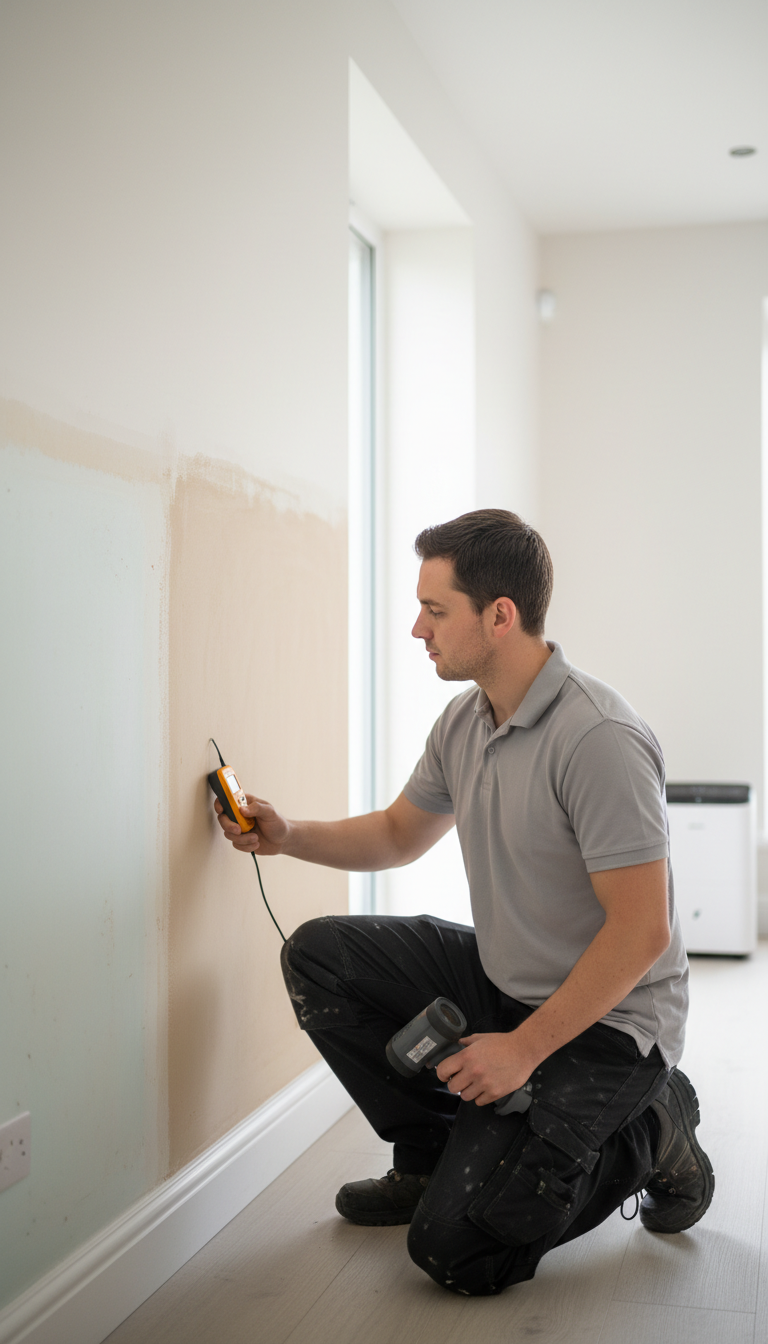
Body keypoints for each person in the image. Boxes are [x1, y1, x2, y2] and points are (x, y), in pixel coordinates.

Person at [215, 509, 714, 1297]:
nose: (418, 628)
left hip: (611, 1022)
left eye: (435, 609)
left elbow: (642, 930)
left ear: (500, 616)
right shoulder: (466, 719)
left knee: (461, 1253)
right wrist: (287, 835)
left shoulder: (598, 739)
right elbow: (395, 834)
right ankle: (427, 1158)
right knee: (320, 957)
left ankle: (659, 1127)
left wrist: (523, 1049)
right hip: (507, 982)